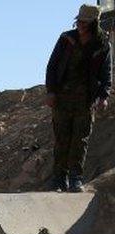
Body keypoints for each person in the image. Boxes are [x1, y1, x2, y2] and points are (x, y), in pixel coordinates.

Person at [45, 3, 112, 193]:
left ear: (94, 23)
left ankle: (75, 178)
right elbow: (52, 66)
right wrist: (51, 91)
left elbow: (106, 74)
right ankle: (59, 178)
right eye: (80, 21)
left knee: (80, 140)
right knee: (61, 139)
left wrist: (103, 96)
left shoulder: (102, 44)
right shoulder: (66, 39)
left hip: (85, 100)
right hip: (62, 98)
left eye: (86, 22)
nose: (81, 25)